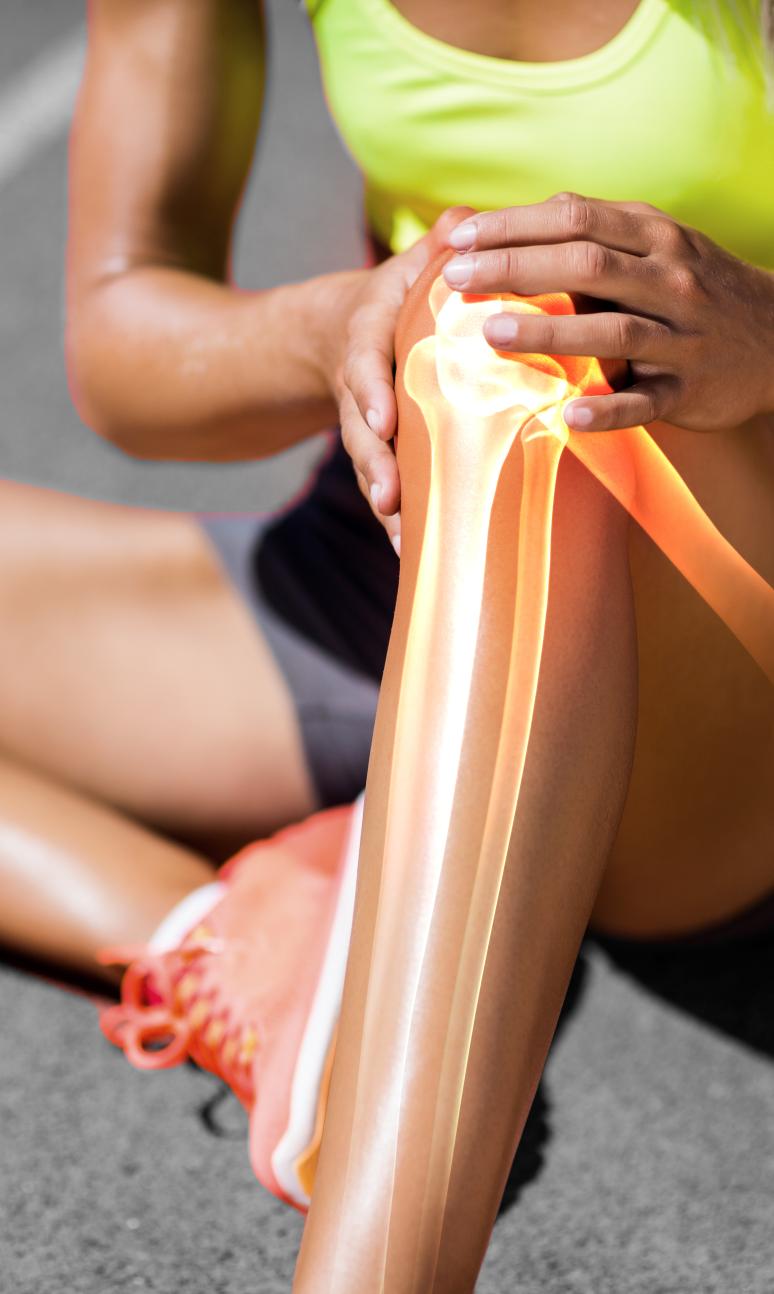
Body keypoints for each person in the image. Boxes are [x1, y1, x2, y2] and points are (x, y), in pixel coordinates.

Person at [1, 0, 772, 1286]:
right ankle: (243, 942)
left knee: (514, 352)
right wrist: (346, 321)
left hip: (731, 642)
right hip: (405, 562)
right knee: (479, 340)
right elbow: (121, 336)